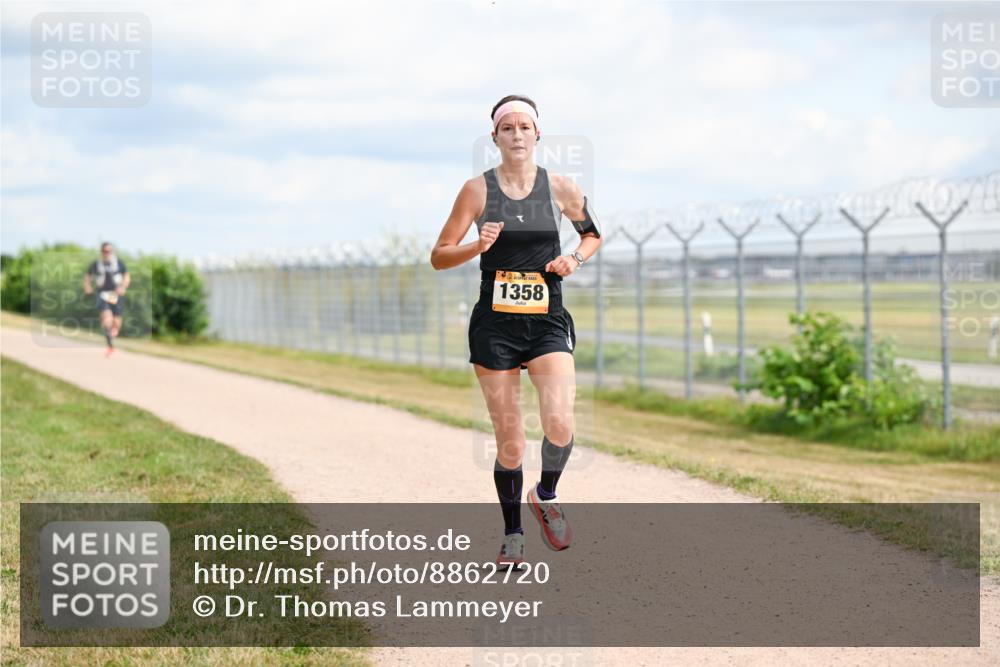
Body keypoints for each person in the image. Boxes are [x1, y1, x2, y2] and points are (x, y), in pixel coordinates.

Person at [430, 95, 602, 567]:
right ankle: (512, 537)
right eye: (508, 128)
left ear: (537, 135)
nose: (517, 134)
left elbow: (592, 233)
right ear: (496, 138)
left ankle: (545, 494)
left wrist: (575, 258)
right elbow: (439, 255)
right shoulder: (477, 191)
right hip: (496, 326)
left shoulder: (561, 187)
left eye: (525, 127)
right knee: (509, 439)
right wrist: (476, 245)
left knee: (561, 420)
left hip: (546, 320)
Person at [83, 242, 130, 356]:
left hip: (115, 294)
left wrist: (123, 287)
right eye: (104, 251)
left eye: (108, 251)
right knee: (106, 318)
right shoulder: (96, 264)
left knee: (116, 321)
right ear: (101, 251)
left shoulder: (118, 263)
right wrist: (87, 287)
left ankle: (113, 331)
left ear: (111, 251)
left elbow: (127, 276)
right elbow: (88, 276)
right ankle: (110, 346)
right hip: (103, 294)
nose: (106, 253)